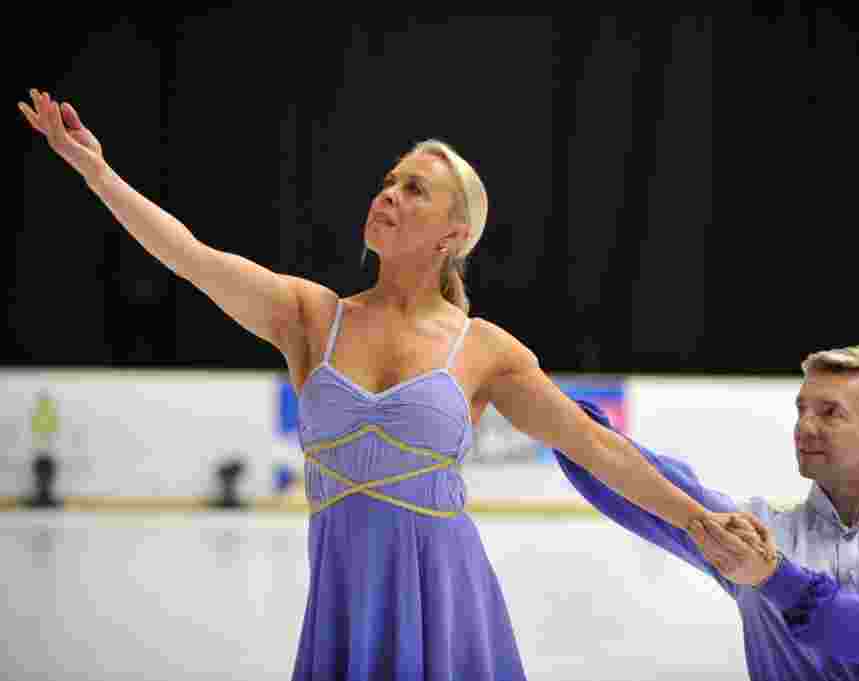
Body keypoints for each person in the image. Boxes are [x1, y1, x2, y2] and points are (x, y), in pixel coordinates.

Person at [18, 89, 767, 680]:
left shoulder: (485, 350)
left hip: (448, 609)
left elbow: (601, 450)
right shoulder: (310, 317)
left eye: (414, 189)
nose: (389, 194)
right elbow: (187, 255)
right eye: (388, 181)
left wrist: (698, 518)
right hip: (346, 607)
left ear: (452, 235)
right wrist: (96, 170)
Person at [553, 346, 859, 679]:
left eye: (829, 412)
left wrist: (774, 577)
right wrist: (550, 410)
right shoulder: (758, 530)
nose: (804, 426)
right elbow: (641, 480)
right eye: (801, 409)